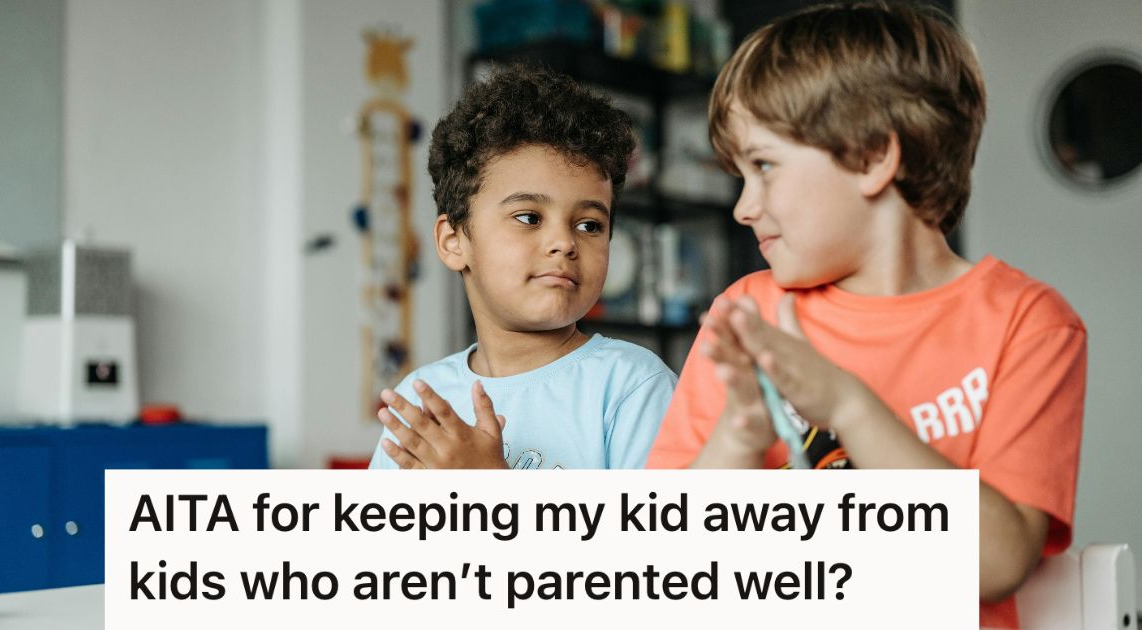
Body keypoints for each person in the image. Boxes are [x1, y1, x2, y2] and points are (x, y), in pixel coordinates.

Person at [644, 4, 1086, 627]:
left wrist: (848, 406)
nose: (744, 206)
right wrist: (738, 439)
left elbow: (997, 563)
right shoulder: (747, 313)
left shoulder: (1029, 324)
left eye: (764, 166)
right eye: (738, 175)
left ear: (874, 156)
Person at [368, 65, 676, 470]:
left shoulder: (632, 386)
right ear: (453, 241)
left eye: (589, 225)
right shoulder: (423, 402)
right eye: (529, 217)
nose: (564, 242)